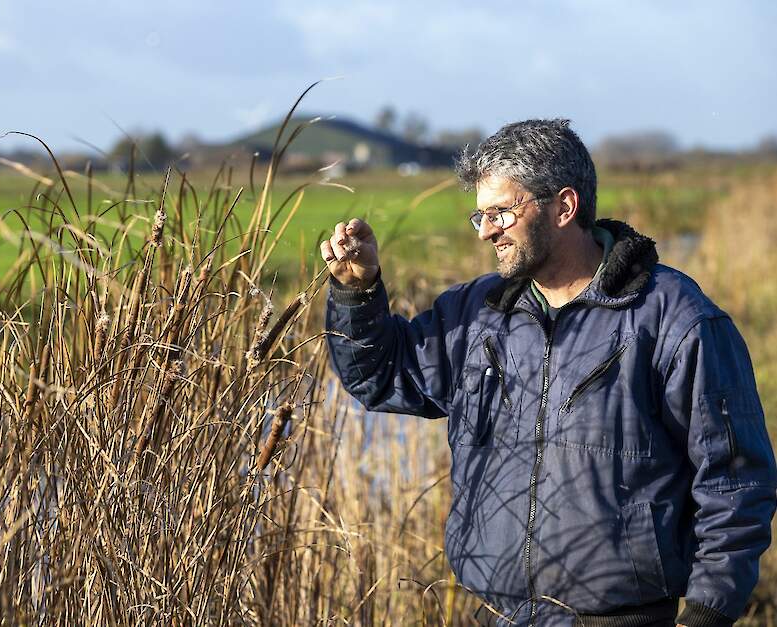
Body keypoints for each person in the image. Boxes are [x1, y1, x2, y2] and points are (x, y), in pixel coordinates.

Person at [320, 119, 777, 627]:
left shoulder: (676, 319)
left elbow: (736, 483)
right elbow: (382, 378)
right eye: (481, 215)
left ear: (564, 206)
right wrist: (357, 293)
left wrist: (707, 614)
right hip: (494, 614)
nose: (487, 230)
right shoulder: (475, 314)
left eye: (502, 213)